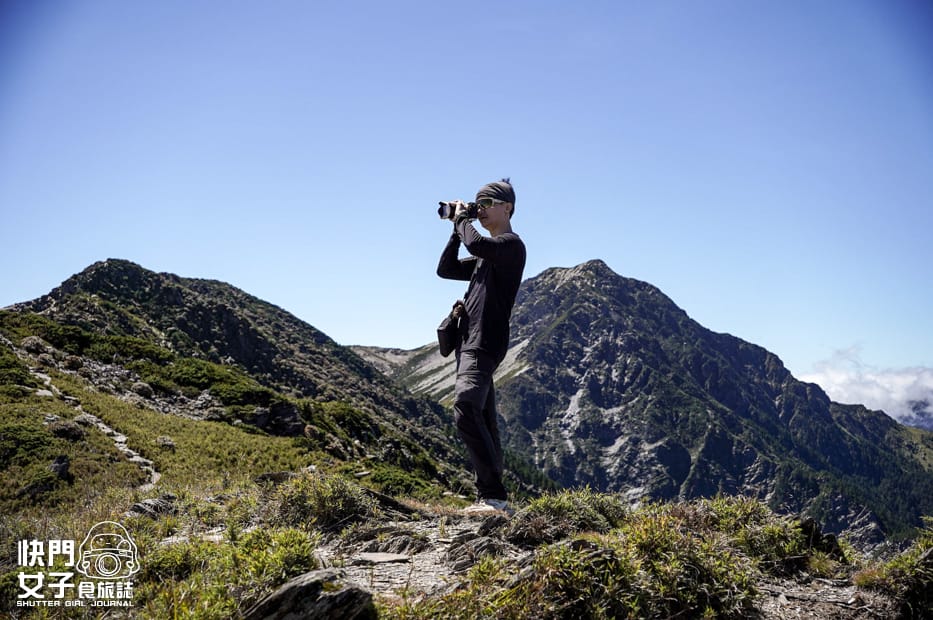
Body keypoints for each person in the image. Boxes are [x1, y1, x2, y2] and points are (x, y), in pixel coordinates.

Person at [436, 178, 526, 514]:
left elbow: (476, 245)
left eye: (488, 203)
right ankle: (492, 497)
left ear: (508, 208)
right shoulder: (485, 256)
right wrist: (454, 230)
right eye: (478, 203)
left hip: (484, 342)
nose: (482, 209)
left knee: (465, 408)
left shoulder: (510, 246)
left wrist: (462, 221)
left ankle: (492, 495)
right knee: (484, 417)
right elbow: (445, 269)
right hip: (469, 343)